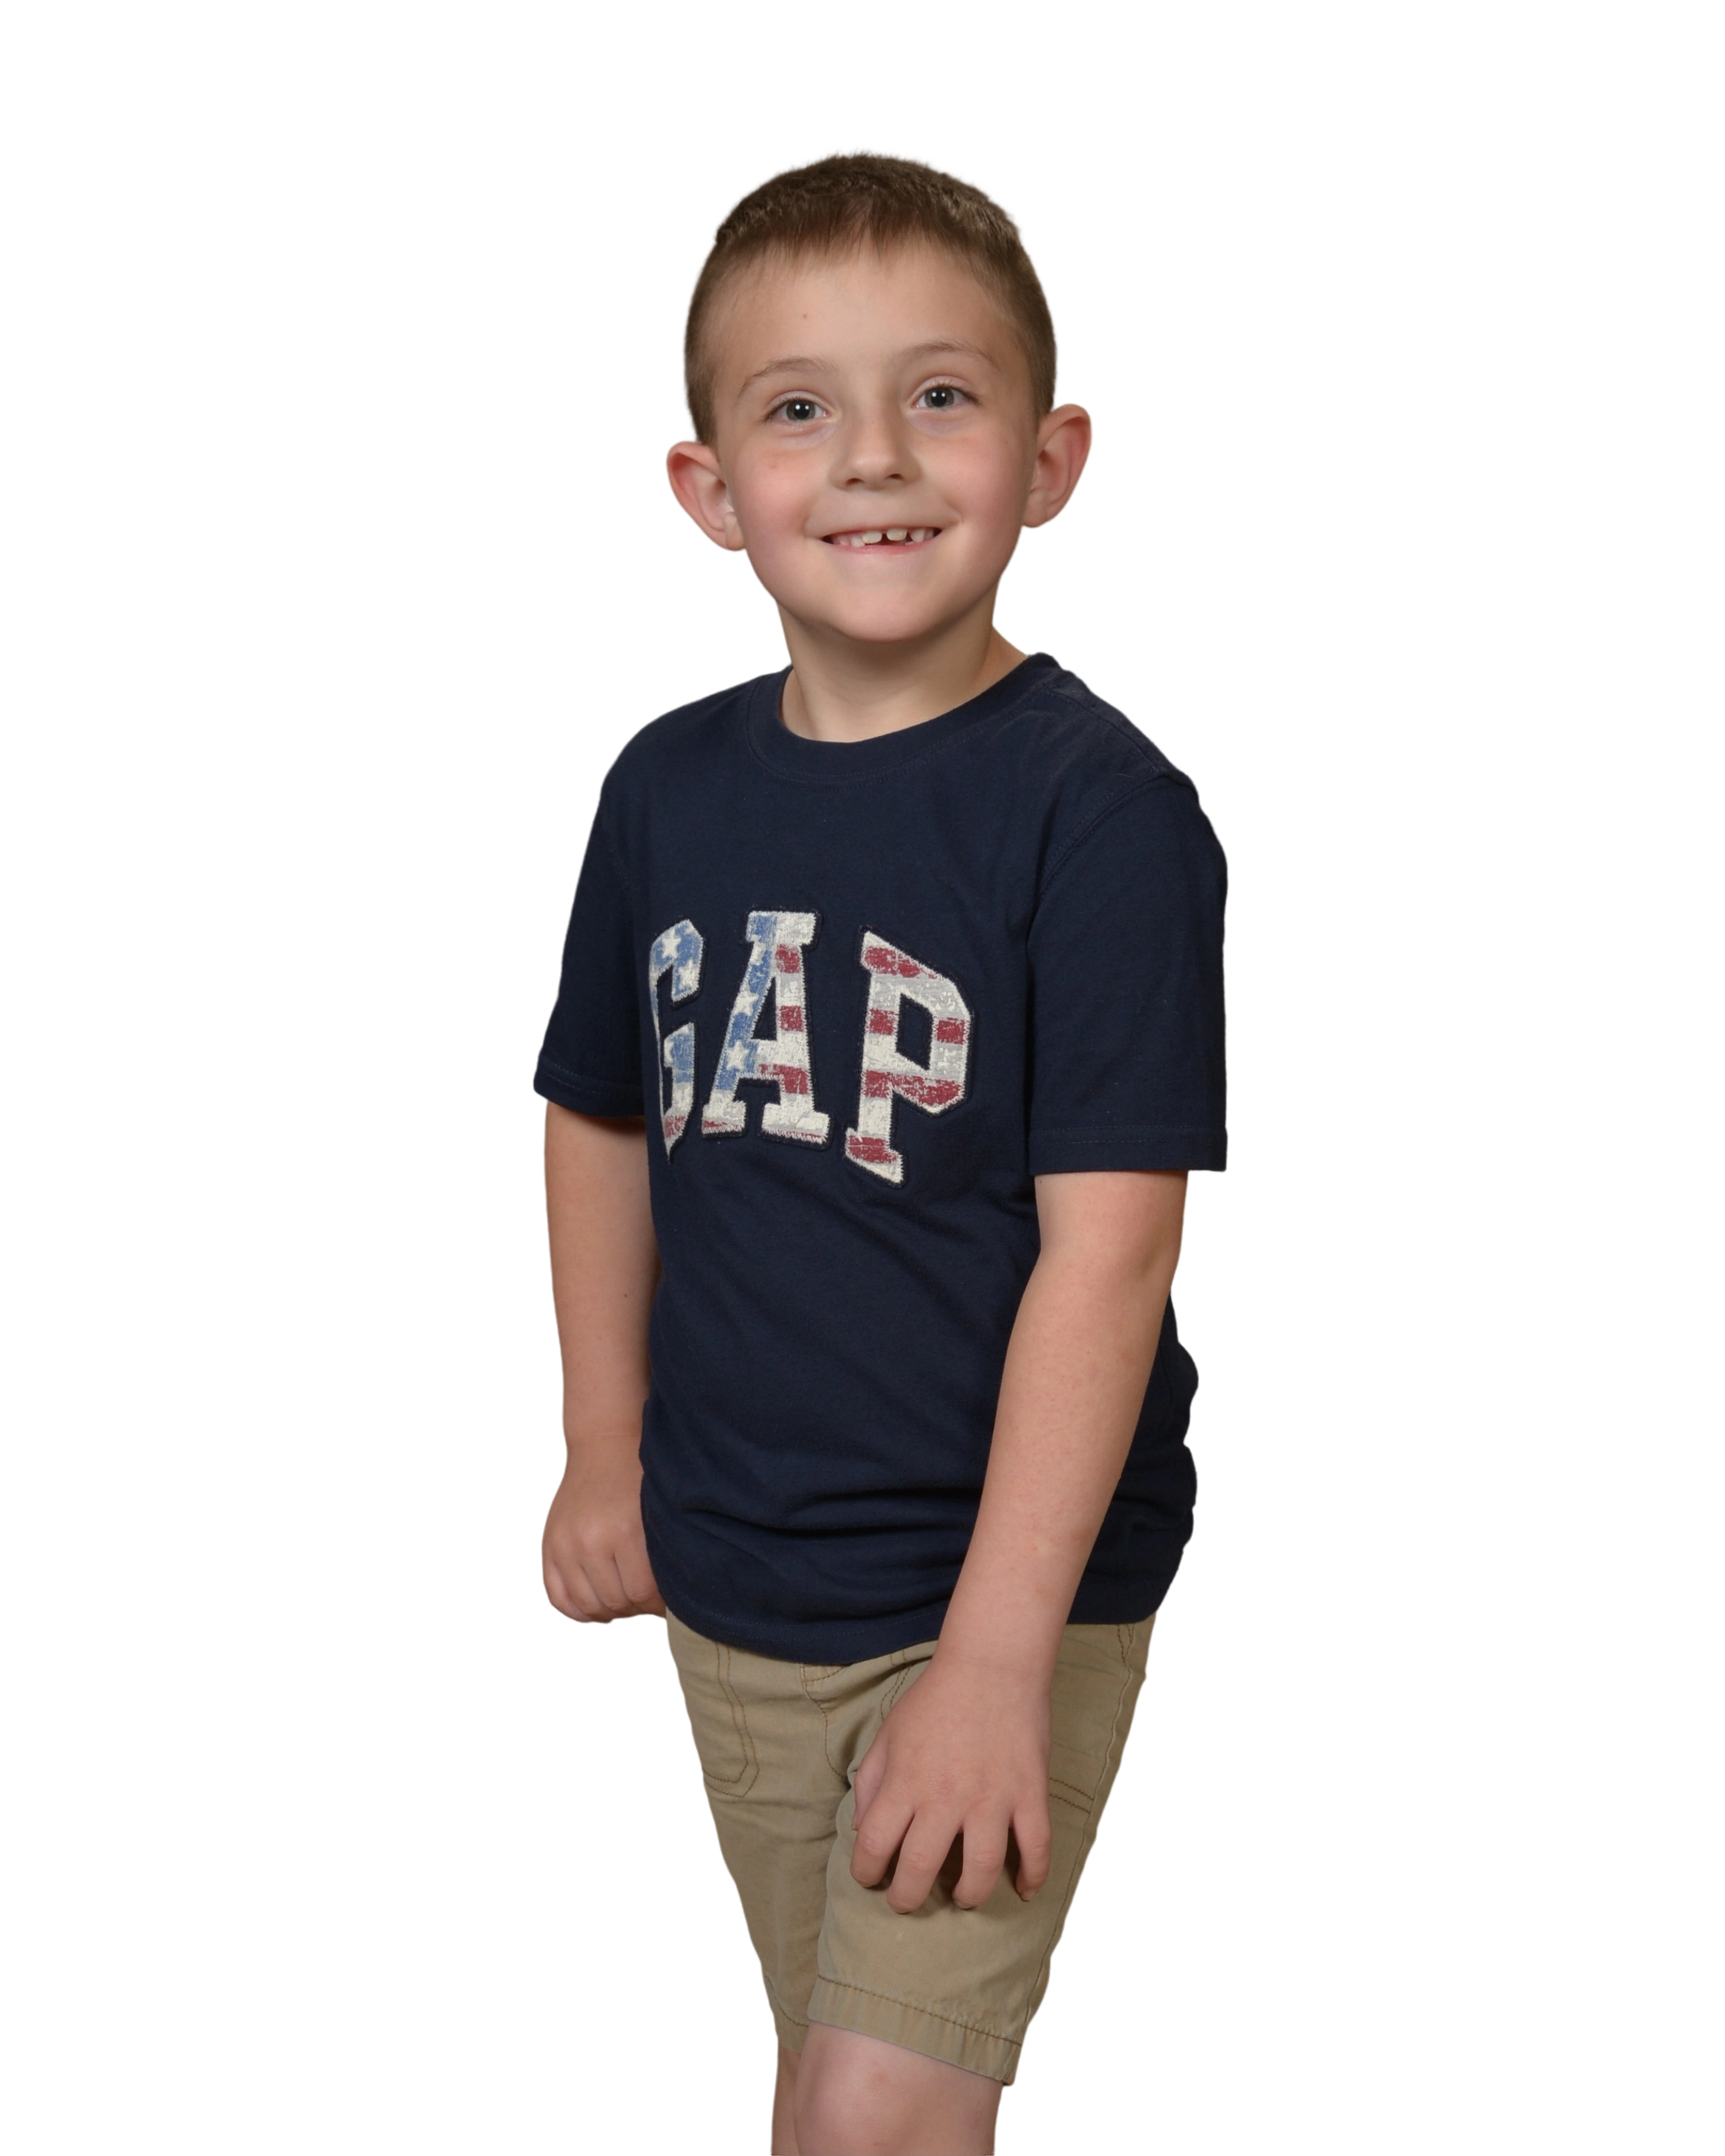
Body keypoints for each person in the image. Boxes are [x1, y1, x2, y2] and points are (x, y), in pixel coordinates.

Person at [530, 144, 1229, 2156]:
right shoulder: (662, 793)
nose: (874, 459)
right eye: (797, 409)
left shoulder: (1104, 816)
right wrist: (601, 1439)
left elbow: (1114, 1254)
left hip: (1001, 1584)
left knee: (869, 2120)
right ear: (707, 491)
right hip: (742, 1575)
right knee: (832, 2092)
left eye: (941, 394)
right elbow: (598, 1110)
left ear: (1053, 459)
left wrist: (998, 1662)